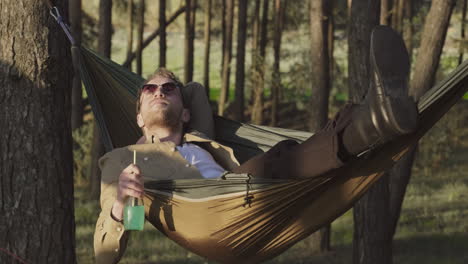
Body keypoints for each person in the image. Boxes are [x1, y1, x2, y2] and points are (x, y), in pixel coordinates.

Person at [94, 26, 418, 263]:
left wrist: (178, 105)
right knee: (279, 158)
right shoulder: (125, 161)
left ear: (187, 111)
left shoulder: (201, 137)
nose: (159, 92)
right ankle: (376, 119)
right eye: (149, 90)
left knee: (299, 148)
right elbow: (106, 254)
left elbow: (195, 90)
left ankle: (378, 115)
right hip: (213, 217)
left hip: (251, 198)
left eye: (168, 89)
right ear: (136, 117)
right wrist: (121, 204)